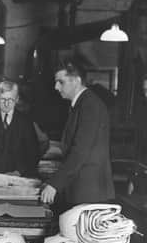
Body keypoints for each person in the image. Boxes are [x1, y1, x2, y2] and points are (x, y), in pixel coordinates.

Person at [40, 59, 114, 207]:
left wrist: (55, 184)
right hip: (83, 188)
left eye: (61, 82)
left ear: (77, 81)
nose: (56, 87)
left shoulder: (89, 106)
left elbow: (79, 151)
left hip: (89, 192)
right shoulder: (81, 104)